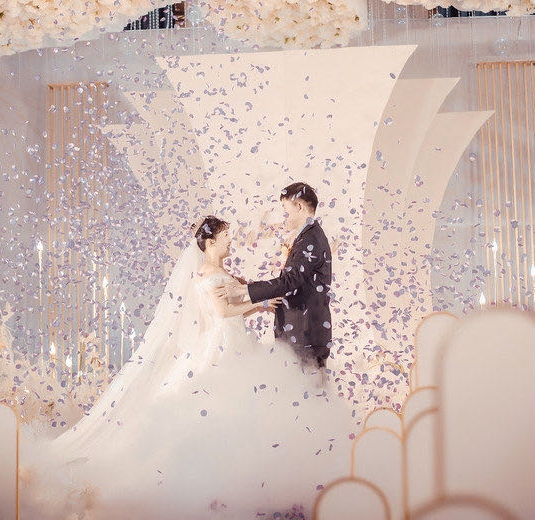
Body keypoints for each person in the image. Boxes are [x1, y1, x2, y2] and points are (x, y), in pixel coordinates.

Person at [22, 216, 355, 520]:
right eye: (226, 237)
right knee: (221, 403)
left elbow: (233, 306)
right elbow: (222, 312)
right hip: (224, 344)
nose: (230, 241)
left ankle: (240, 472)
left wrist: (258, 306)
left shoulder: (221, 272)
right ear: (210, 243)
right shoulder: (209, 273)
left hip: (236, 338)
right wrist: (259, 302)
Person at [220, 182, 333, 369]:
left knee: (306, 384)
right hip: (302, 329)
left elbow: (289, 281)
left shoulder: (310, 239)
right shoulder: (308, 236)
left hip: (304, 331)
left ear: (299, 206)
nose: (284, 215)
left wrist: (244, 290)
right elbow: (295, 281)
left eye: (285, 209)